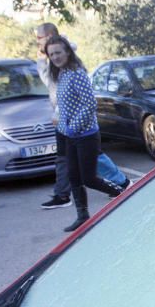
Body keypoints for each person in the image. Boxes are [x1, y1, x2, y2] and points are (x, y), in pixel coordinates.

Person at [45, 35, 123, 232]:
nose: (55, 57)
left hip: (86, 135)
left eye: (58, 53)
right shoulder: (61, 74)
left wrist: (74, 126)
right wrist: (63, 127)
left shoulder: (76, 73)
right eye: (51, 54)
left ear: (68, 52)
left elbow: (90, 104)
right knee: (74, 177)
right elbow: (64, 106)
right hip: (69, 136)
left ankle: (124, 194)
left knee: (89, 178)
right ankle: (83, 216)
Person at [35, 23, 72, 209]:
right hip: (63, 118)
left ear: (49, 36)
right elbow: (49, 83)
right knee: (65, 158)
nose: (37, 42)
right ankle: (63, 195)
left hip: (68, 118)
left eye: (39, 38)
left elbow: (64, 91)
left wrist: (59, 113)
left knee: (90, 158)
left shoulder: (65, 58)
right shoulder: (51, 58)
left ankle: (121, 185)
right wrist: (42, 60)